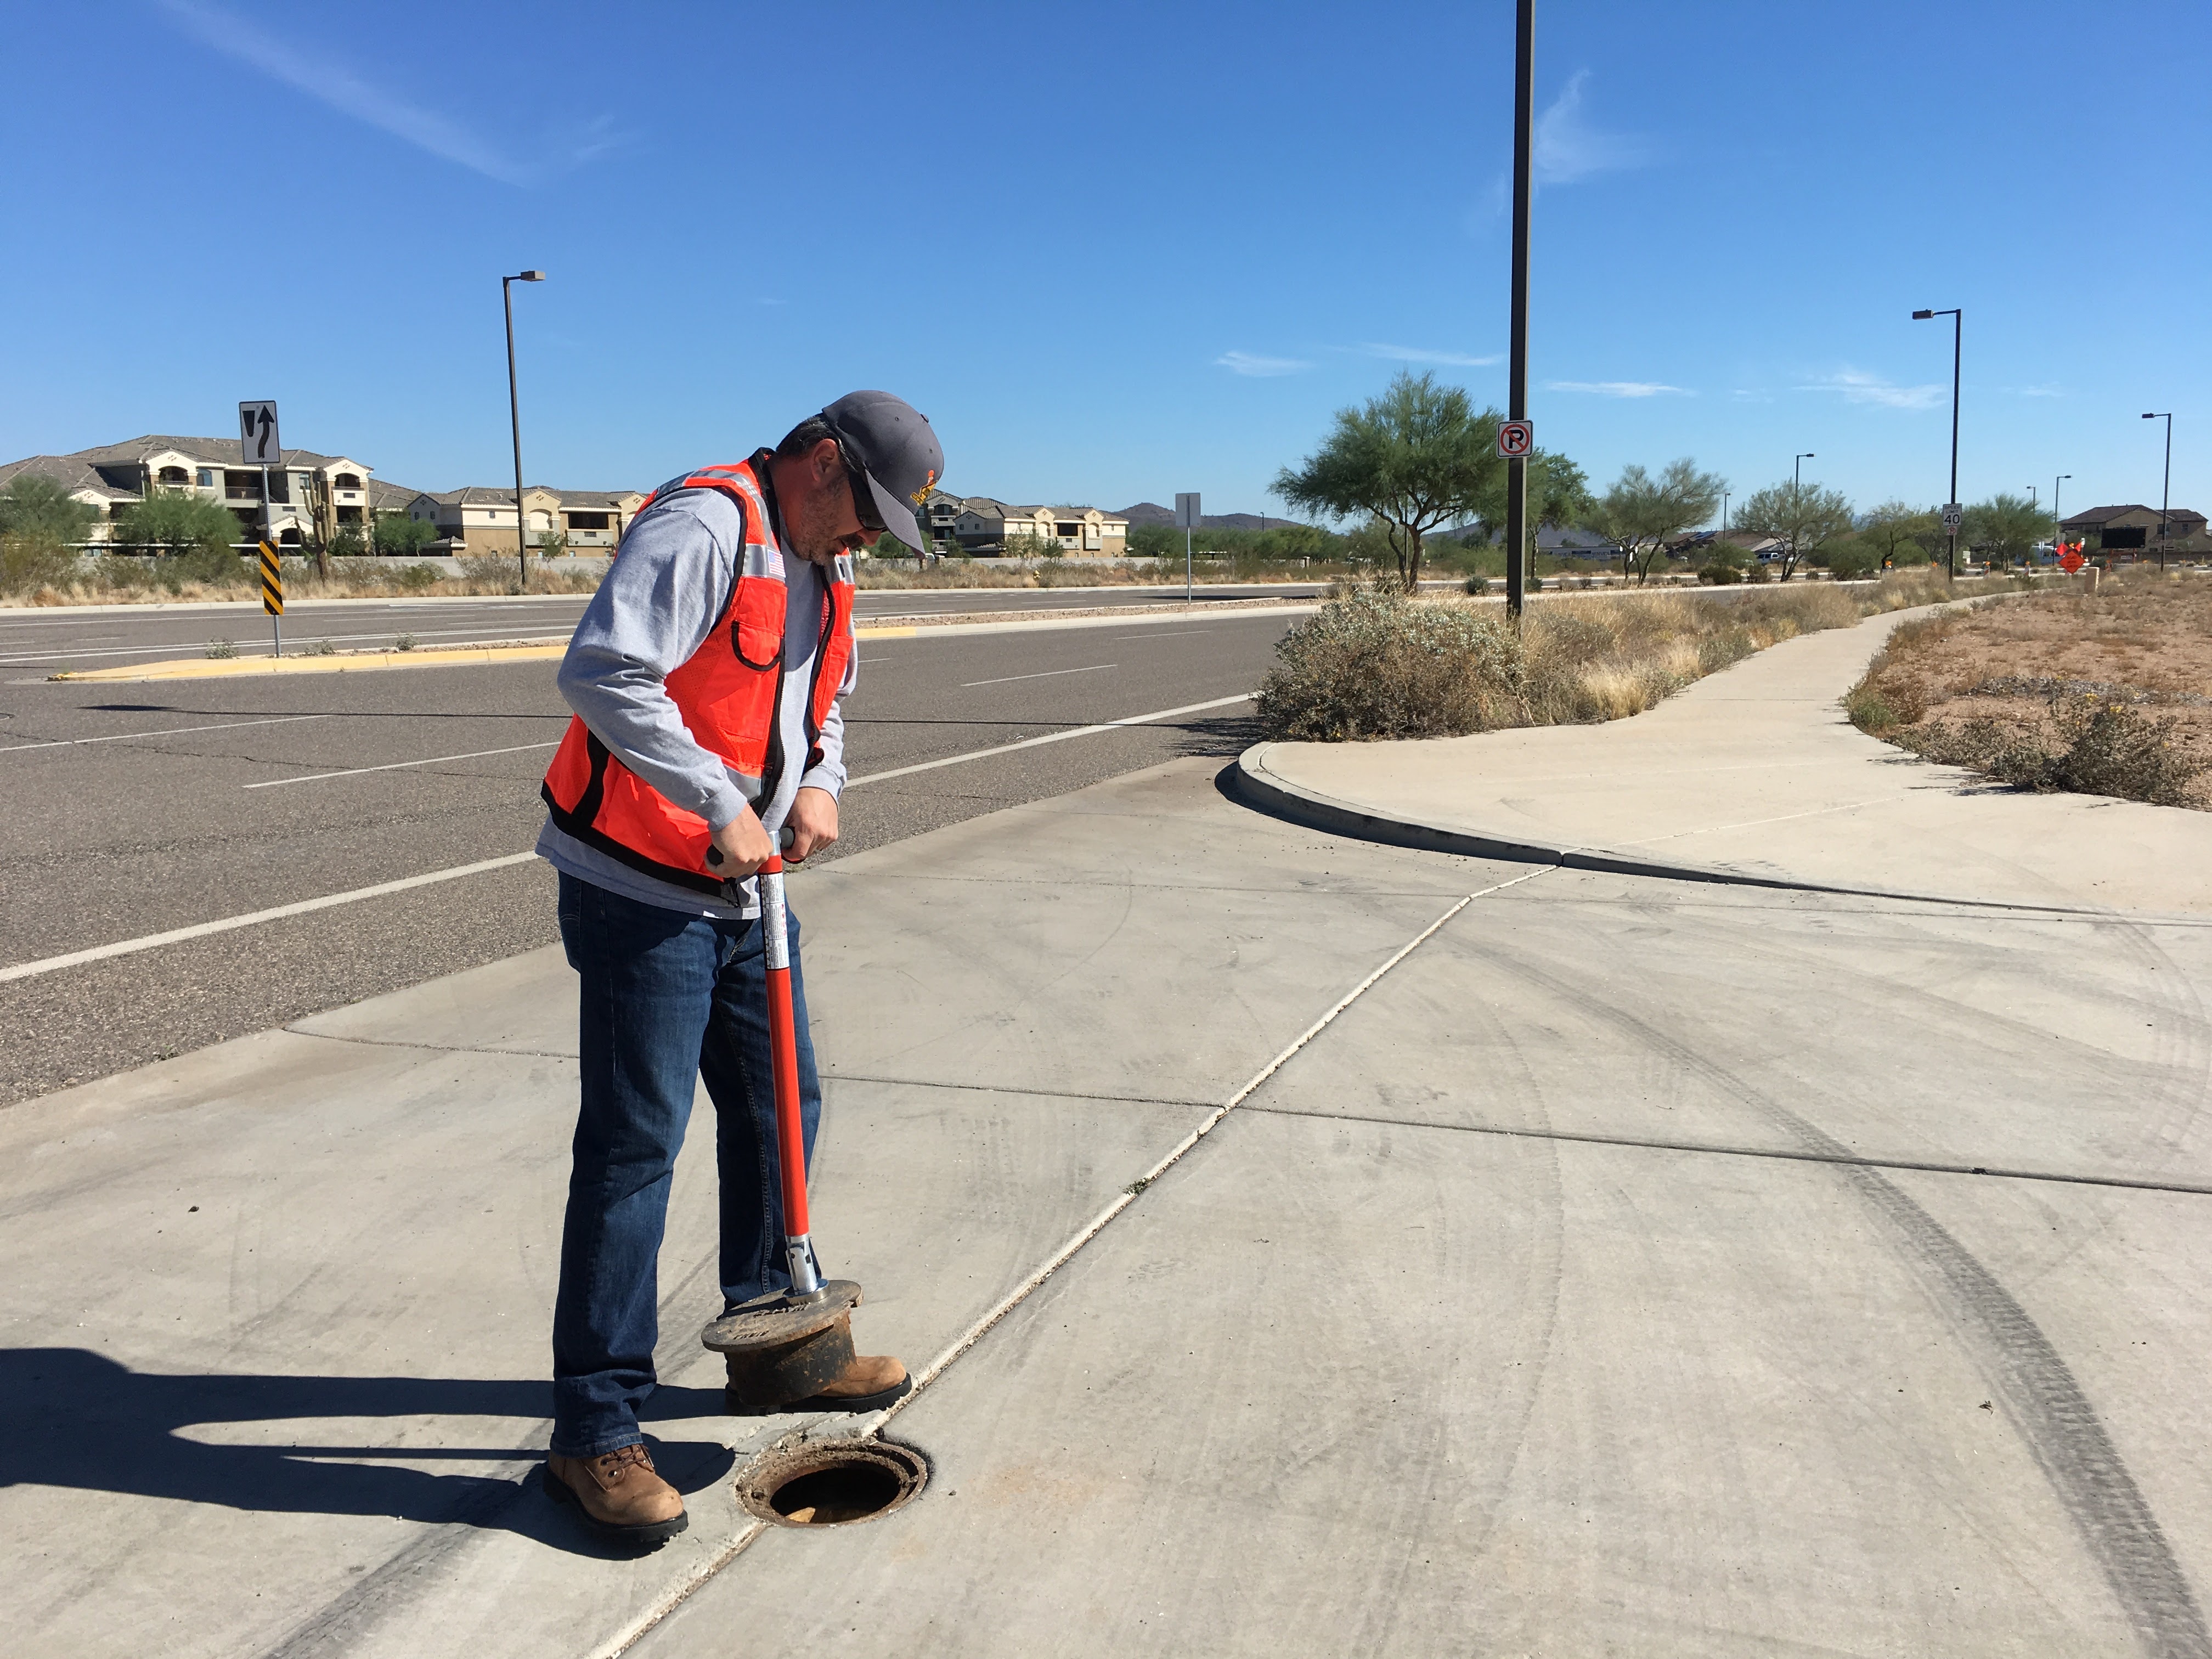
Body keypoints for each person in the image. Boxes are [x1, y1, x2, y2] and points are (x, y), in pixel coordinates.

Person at [532, 391, 943, 1545]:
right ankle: (595, 1429)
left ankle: (776, 1347)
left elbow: (823, 705)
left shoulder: (827, 561)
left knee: (778, 1107)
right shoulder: (709, 525)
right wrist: (720, 800)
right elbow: (603, 671)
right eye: (863, 516)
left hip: (750, 888)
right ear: (823, 463)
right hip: (641, 888)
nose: (865, 543)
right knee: (635, 1148)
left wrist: (819, 784)